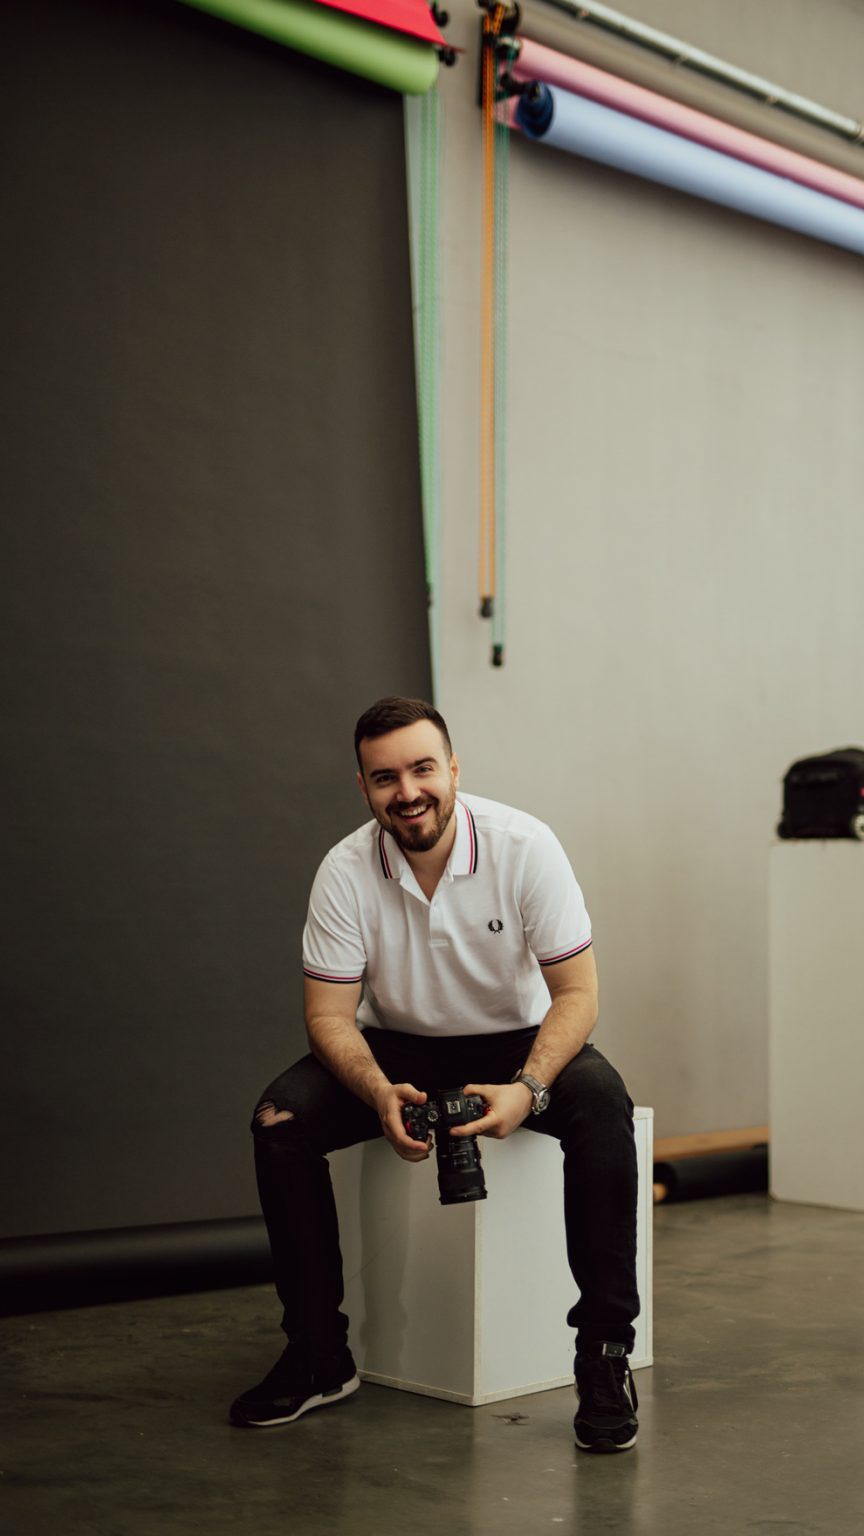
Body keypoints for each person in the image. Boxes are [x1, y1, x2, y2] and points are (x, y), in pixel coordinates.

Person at [230, 696, 640, 1453]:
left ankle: (605, 1353)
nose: (408, 791)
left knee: (603, 1102)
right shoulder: (345, 869)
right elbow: (328, 1016)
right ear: (363, 787)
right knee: (279, 1121)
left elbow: (578, 995)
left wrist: (529, 1089)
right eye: (386, 777)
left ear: (453, 768)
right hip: (396, 1049)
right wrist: (376, 1090)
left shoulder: (525, 846)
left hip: (516, 1042)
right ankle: (319, 1355)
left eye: (423, 769)